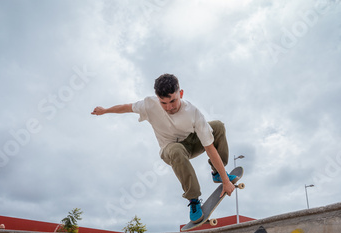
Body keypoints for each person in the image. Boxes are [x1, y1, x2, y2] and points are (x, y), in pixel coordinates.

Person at [91, 73, 238, 223]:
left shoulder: (193, 112)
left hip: (192, 142)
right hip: (170, 149)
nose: (169, 107)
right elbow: (126, 107)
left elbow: (209, 147)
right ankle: (193, 200)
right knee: (176, 150)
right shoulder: (149, 104)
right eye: (163, 103)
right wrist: (105, 110)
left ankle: (217, 173)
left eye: (173, 101)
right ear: (157, 98)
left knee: (218, 126)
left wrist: (225, 181)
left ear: (180, 94)